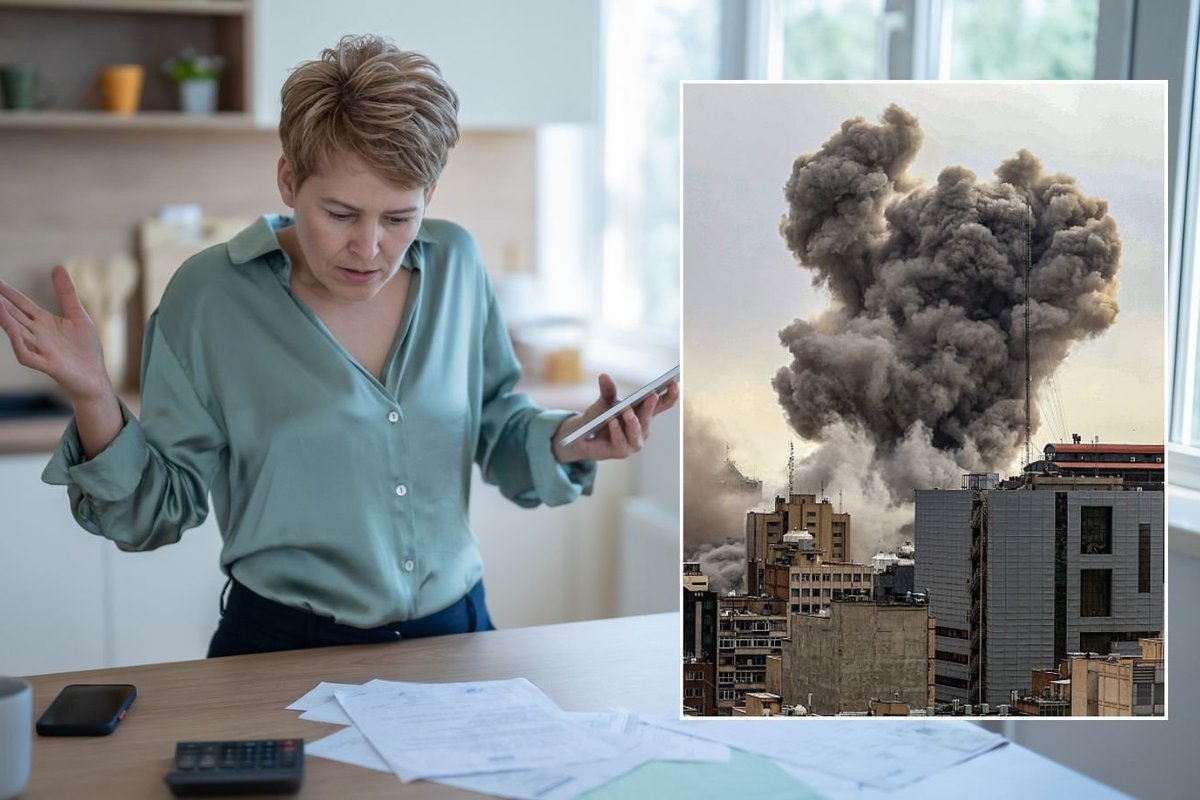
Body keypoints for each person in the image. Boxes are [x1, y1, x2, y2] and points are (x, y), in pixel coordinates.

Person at [0, 35, 677, 658]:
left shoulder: (458, 264)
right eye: (340, 214)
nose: (370, 247)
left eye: (400, 216)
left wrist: (569, 439)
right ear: (289, 181)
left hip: (455, 635)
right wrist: (93, 393)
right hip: (280, 648)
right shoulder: (209, 296)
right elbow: (153, 513)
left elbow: (496, 425)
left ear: (430, 195)